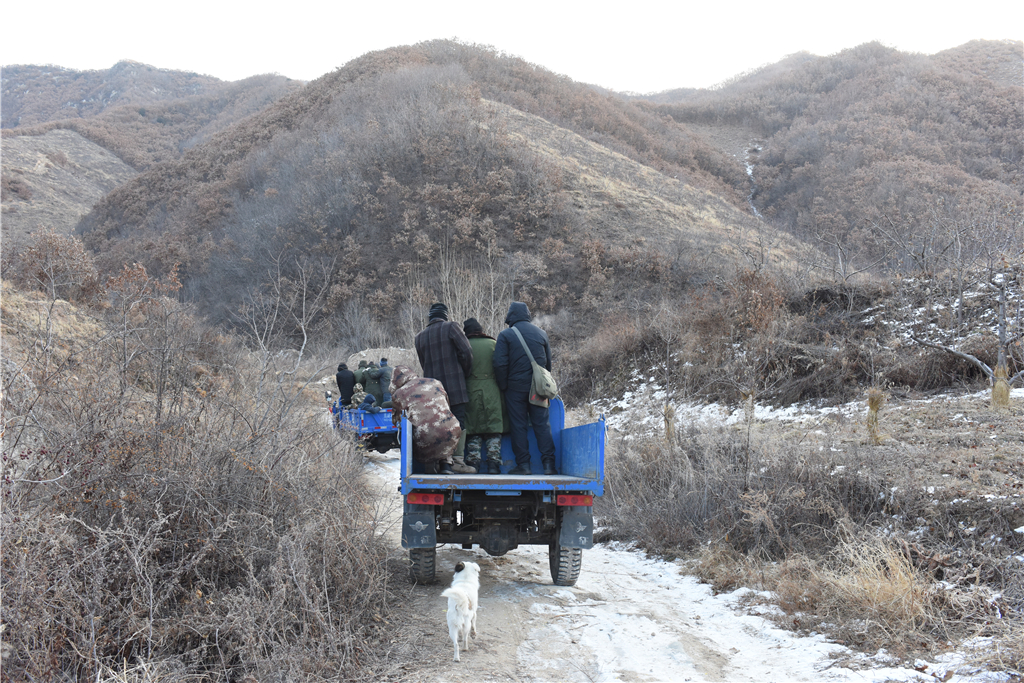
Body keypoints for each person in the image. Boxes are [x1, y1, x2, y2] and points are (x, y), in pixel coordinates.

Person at [493, 302, 556, 475]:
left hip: (515, 388)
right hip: (538, 388)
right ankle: (549, 465)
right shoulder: (541, 333)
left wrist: (504, 386)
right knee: (542, 425)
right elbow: (548, 364)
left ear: (511, 316)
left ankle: (524, 465)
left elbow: (499, 364)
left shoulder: (506, 335)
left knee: (518, 426)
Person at [415, 303, 475, 473]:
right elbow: (467, 352)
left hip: (433, 392)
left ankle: (441, 464)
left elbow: (423, 364)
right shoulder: (451, 327)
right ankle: (456, 460)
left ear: (429, 318)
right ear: (445, 315)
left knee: (438, 426)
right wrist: (465, 372)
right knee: (458, 423)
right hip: (455, 386)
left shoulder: (419, 337)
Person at [389, 365, 461, 474]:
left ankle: (421, 469)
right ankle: (446, 465)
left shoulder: (398, 394)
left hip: (424, 440)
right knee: (443, 424)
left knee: (409, 431)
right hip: (453, 433)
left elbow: (397, 421)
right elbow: (447, 406)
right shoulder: (435, 382)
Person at [462, 318, 507, 474]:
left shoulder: (465, 346)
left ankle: (473, 463)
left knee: (473, 428)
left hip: (470, 389)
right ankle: (494, 465)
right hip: (492, 390)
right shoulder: (493, 344)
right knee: (493, 427)